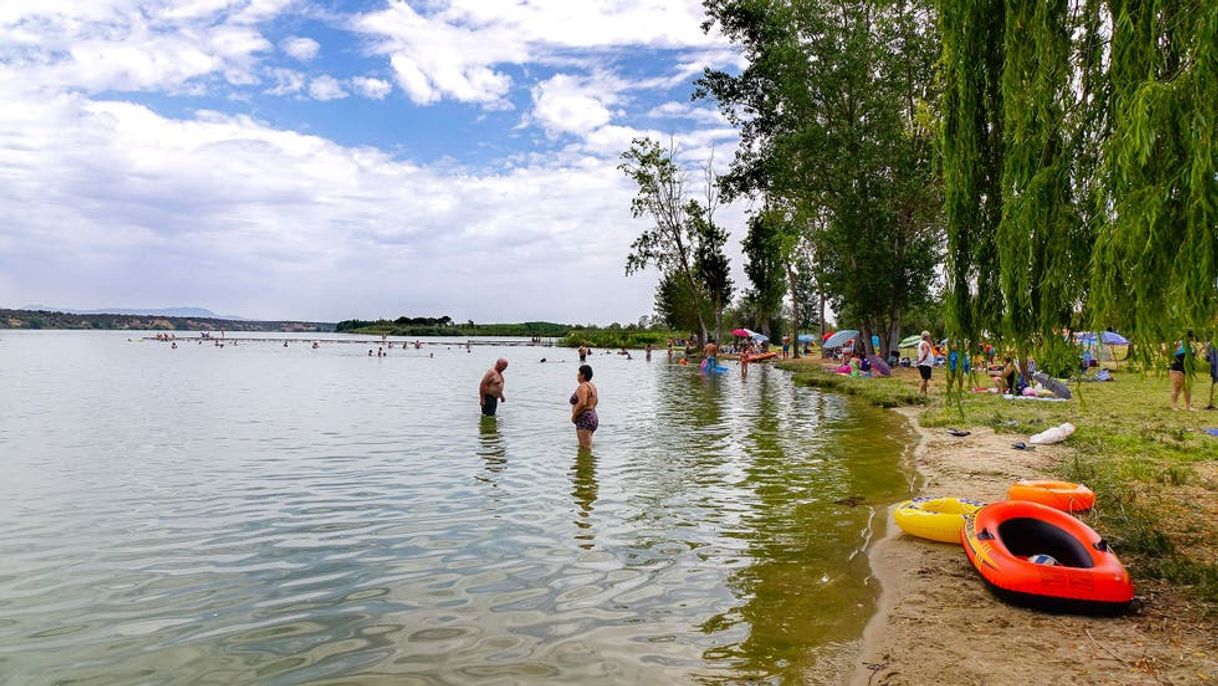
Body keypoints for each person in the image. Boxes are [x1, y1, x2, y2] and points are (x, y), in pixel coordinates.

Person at [570, 364, 599, 448]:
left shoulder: (582, 387)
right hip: (592, 417)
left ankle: (584, 461)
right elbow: (596, 401)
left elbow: (582, 403)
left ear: (583, 375)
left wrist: (574, 416)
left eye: (578, 373)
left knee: (585, 449)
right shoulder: (592, 386)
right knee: (586, 447)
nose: (577, 375)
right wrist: (590, 409)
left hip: (584, 419)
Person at [1170, 331, 1196, 411]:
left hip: (1188, 369)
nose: (1191, 339)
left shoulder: (1192, 345)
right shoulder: (1178, 344)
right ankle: (1174, 405)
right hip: (1177, 368)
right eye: (1190, 337)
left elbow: (1193, 357)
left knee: (1187, 388)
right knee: (1177, 387)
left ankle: (1188, 406)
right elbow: (1167, 352)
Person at [917, 330, 933, 395]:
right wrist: (922, 360)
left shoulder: (922, 343)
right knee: (924, 379)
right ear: (927, 336)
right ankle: (920, 393)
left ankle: (925, 392)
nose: (930, 337)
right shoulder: (925, 344)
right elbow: (926, 353)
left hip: (924, 363)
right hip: (925, 363)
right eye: (929, 336)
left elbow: (931, 346)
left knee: (925, 379)